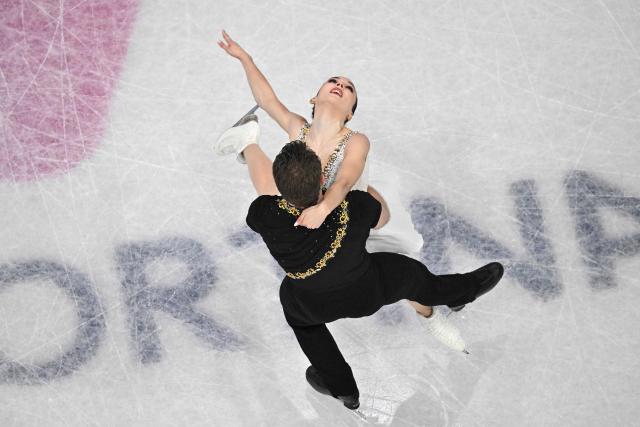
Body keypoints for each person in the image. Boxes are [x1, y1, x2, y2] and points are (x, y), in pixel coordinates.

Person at [216, 121, 504, 409]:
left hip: (313, 303)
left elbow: (264, 198)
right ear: (320, 181)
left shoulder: (264, 213)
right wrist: (342, 190)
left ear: (280, 189)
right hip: (369, 290)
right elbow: (381, 216)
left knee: (301, 321)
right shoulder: (354, 206)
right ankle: (462, 292)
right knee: (411, 275)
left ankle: (343, 389)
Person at [216, 30, 465, 350]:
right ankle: (247, 146)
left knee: (403, 278)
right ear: (314, 99)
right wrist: (245, 59)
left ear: (349, 112)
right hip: (324, 228)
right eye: (334, 82)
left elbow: (346, 181)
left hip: (359, 220)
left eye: (349, 89)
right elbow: (266, 101)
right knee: (273, 196)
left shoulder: (355, 140)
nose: (341, 86)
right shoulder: (297, 129)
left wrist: (322, 208)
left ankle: (431, 315)